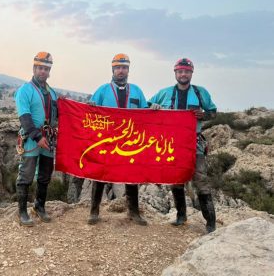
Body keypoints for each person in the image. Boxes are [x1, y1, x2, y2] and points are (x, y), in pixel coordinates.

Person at [149, 58, 217, 233]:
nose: (183, 74)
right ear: (175, 73)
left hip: (194, 143)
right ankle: (181, 216)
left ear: (191, 73)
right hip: (172, 144)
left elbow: (213, 112)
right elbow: (147, 106)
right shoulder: (164, 93)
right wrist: (153, 107)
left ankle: (210, 222)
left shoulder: (201, 93)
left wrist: (204, 115)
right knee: (176, 179)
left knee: (201, 180)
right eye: (180, 71)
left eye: (186, 71)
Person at [87, 53, 148, 226]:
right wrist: (91, 108)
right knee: (99, 175)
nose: (121, 71)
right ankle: (94, 211)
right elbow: (89, 115)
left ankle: (134, 212)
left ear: (128, 70)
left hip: (129, 143)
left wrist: (154, 109)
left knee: (131, 177)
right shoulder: (102, 90)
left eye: (124, 67)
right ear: (113, 69)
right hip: (106, 141)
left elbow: (146, 114)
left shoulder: (136, 91)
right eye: (118, 68)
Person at [14, 52, 58, 227]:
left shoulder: (52, 93)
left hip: (49, 140)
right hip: (32, 140)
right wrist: (37, 136)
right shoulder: (25, 91)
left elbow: (59, 115)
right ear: (34, 68)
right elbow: (24, 117)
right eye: (40, 68)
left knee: (45, 176)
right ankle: (22, 212)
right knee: (26, 175)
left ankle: (39, 207)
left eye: (46, 69)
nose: (43, 71)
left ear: (49, 71)